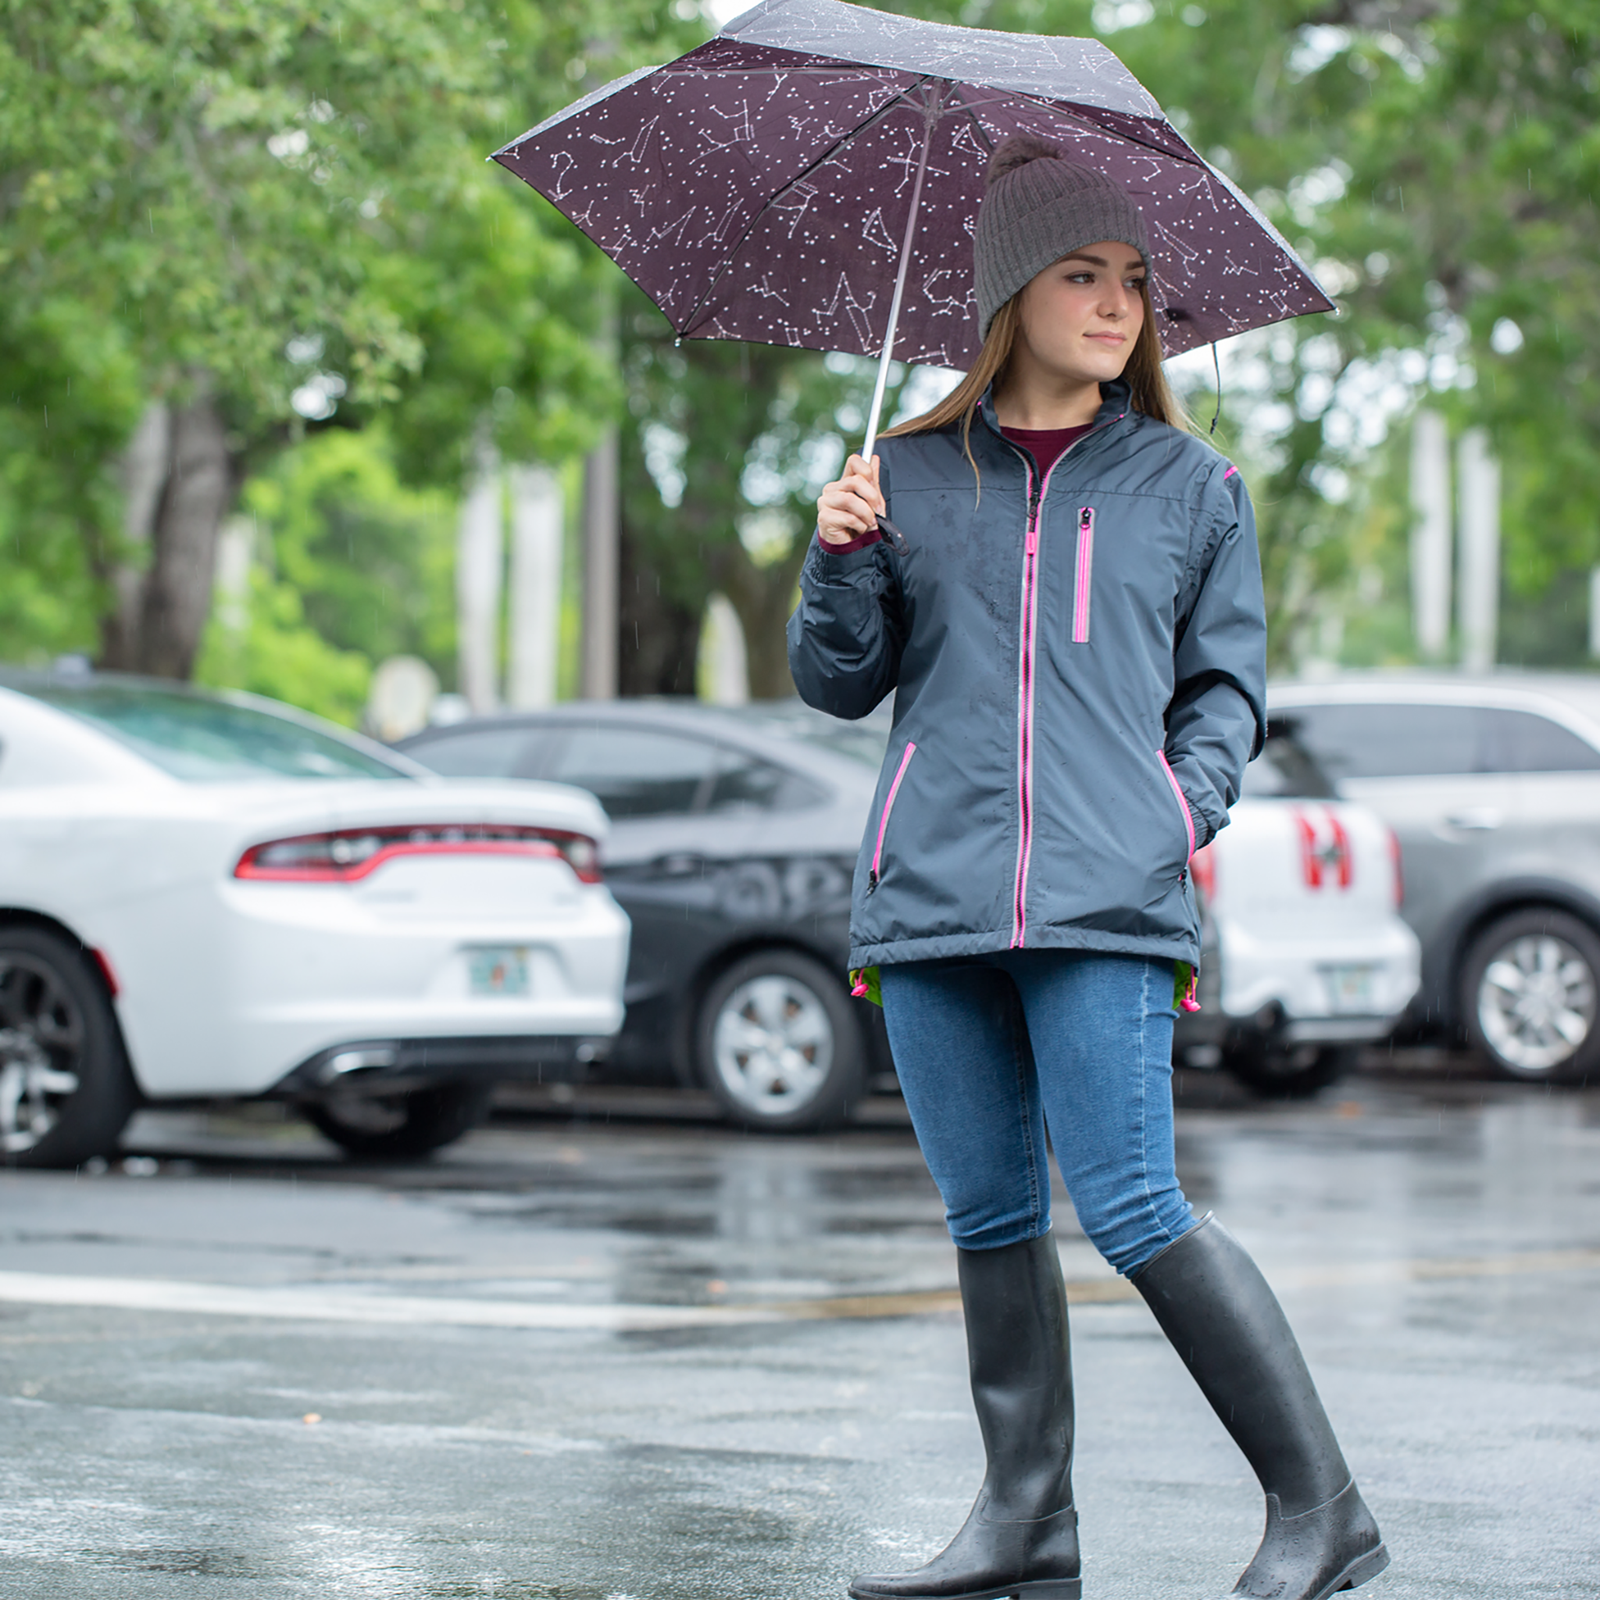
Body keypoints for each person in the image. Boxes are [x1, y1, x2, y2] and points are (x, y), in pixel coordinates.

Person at [787, 136, 1388, 1600]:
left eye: (1133, 281)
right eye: (1082, 275)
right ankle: (1025, 1526)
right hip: (931, 899)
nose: (1118, 305)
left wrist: (1174, 812)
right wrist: (838, 553)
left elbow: (1226, 692)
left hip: (1107, 903)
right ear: (1010, 292)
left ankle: (1324, 1512)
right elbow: (835, 683)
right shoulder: (908, 476)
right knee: (989, 1216)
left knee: (1131, 1208)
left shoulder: (1195, 486)